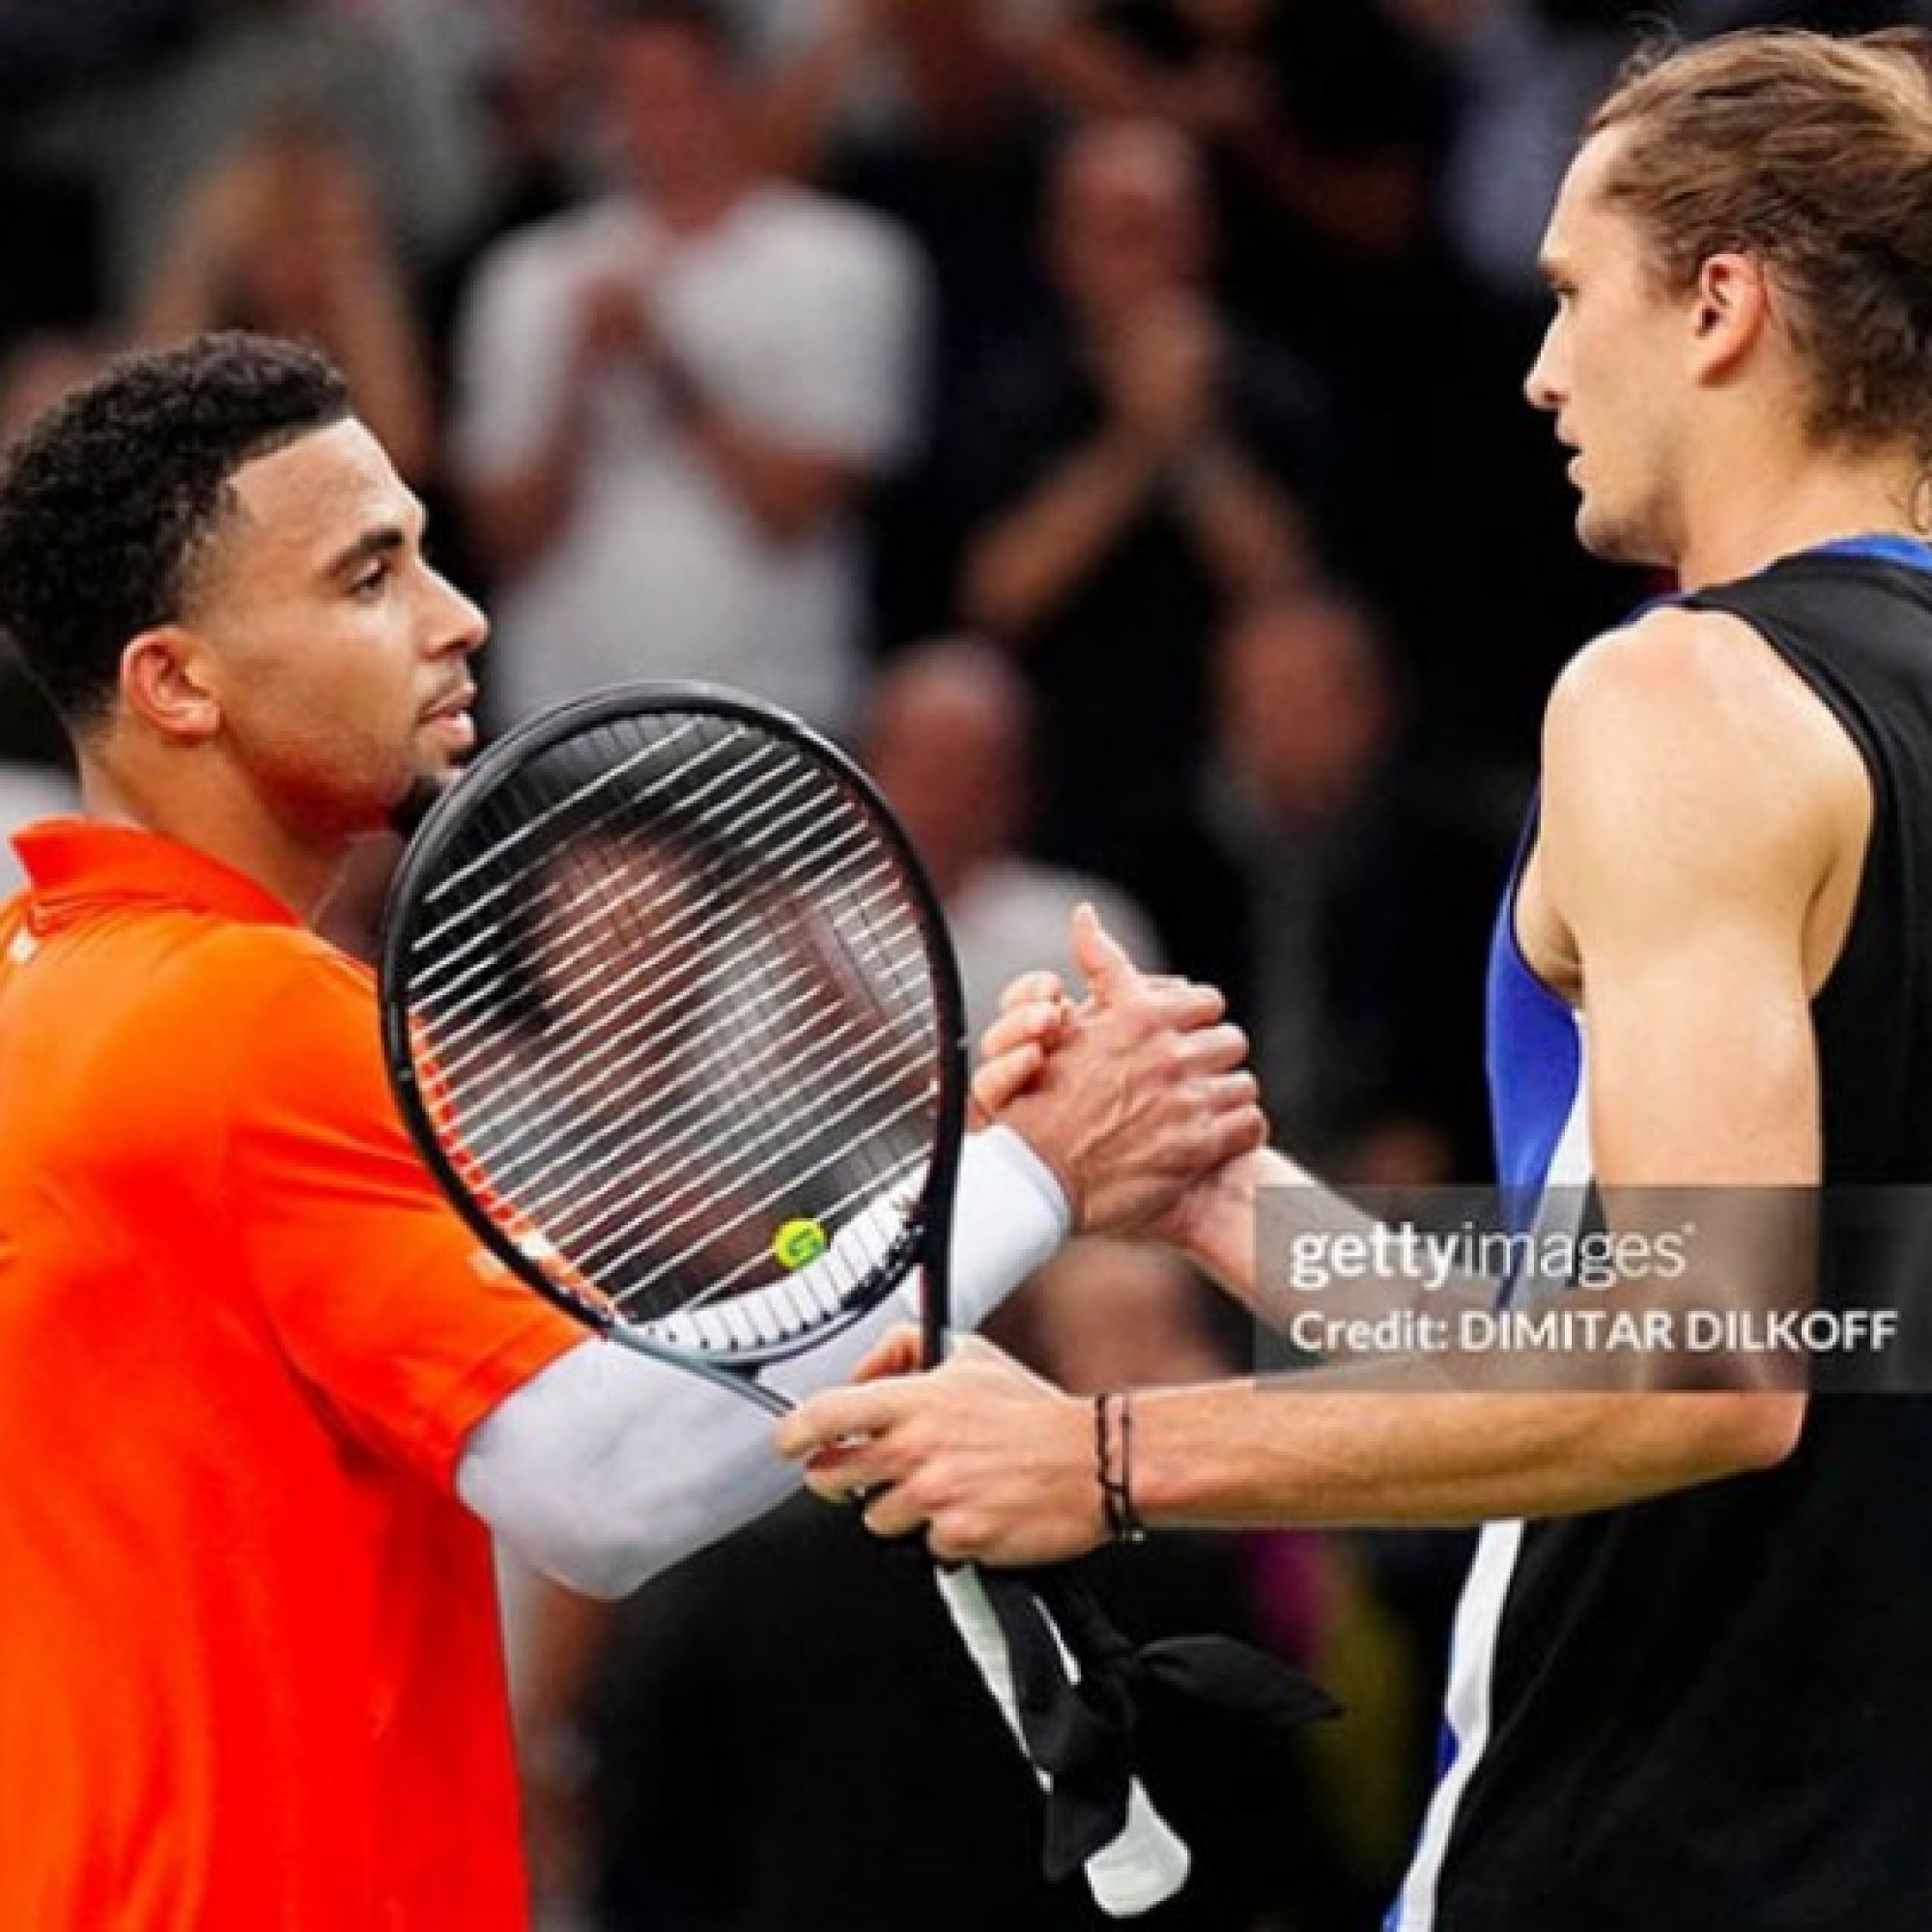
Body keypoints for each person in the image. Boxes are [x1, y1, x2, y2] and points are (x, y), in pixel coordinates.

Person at [781, 27, 1932, 1929]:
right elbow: (1828, 1314)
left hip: (1657, 1843)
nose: (1542, 368)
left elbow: (1707, 1369)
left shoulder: (1678, 694)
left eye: (1575, 295)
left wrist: (1100, 1454)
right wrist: (1228, 1202)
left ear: (1720, 302)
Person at [0, 329, 1264, 1926]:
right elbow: (602, 1484)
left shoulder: (39, 989)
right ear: (174, 680)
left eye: (427, 553)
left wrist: (966, 1186)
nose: (460, 618)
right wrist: (1032, 1178)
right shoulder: (246, 1015)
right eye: (368, 576)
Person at [451, 0, 924, 735]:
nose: (658, 124)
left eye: (680, 95)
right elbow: (501, 536)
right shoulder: (531, 276)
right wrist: (577, 377)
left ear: (736, 96)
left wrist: (665, 367)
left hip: (776, 727)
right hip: (563, 725)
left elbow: (794, 507)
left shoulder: (845, 265)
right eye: (631, 98)